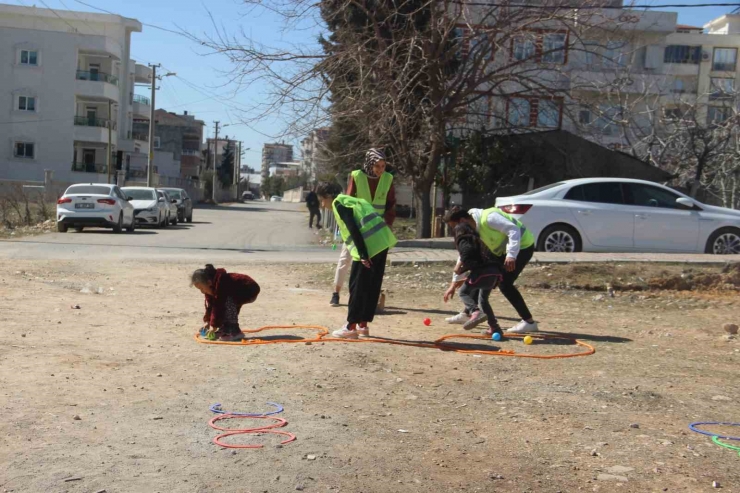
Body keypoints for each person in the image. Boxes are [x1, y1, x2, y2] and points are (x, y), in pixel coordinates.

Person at [443, 207, 538, 334]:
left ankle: (528, 321)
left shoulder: (489, 218)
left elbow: (513, 230)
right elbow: (464, 253)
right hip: (501, 251)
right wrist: (454, 283)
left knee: (505, 283)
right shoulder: (469, 227)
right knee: (480, 277)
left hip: (522, 246)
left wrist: (511, 255)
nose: (454, 230)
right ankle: (469, 312)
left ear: (462, 220)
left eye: (454, 226)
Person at [329, 148, 396, 307]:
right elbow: (348, 201)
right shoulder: (357, 176)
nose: (380, 169)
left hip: (376, 229)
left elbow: (391, 204)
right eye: (377, 166)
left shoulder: (388, 178)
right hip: (357, 227)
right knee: (346, 258)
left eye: (383, 166)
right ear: (369, 164)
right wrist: (348, 224)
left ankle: (367, 298)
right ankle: (336, 293)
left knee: (371, 264)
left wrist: (387, 224)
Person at [331, 193, 397, 339]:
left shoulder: (339, 204)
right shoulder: (355, 201)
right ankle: (363, 325)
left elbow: (352, 227)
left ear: (326, 197)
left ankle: (351, 327)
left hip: (369, 247)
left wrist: (362, 253)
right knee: (372, 286)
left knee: (358, 286)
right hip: (382, 243)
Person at [449, 223, 505, 338]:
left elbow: (466, 253)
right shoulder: (478, 240)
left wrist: (460, 268)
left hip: (483, 273)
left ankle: (475, 311)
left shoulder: (464, 240)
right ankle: (495, 328)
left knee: (463, 292)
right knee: (483, 300)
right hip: (495, 272)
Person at [192, 264, 261, 341]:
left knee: (226, 303)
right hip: (234, 292)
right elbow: (211, 305)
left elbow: (218, 306)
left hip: (249, 290)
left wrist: (214, 326)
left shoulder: (221, 284)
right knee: (223, 304)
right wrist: (208, 322)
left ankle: (234, 332)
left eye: (201, 288)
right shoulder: (211, 287)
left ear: (209, 282)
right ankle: (224, 329)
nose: (202, 292)